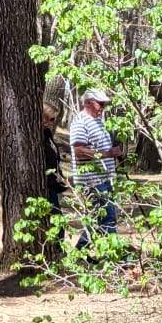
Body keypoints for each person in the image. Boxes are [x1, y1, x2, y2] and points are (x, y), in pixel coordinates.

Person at [69, 89, 122, 241]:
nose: (103, 107)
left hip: (104, 178)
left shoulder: (98, 121)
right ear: (88, 103)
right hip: (91, 180)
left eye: (104, 104)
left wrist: (114, 153)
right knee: (107, 217)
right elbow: (79, 151)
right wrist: (107, 154)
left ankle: (80, 253)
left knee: (96, 219)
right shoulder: (81, 121)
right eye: (100, 104)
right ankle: (116, 256)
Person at [37, 101, 68, 260]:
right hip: (45, 186)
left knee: (57, 221)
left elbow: (54, 160)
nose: (51, 123)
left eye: (53, 120)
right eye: (49, 118)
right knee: (57, 222)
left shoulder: (48, 135)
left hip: (53, 185)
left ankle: (55, 252)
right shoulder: (38, 137)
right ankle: (57, 254)